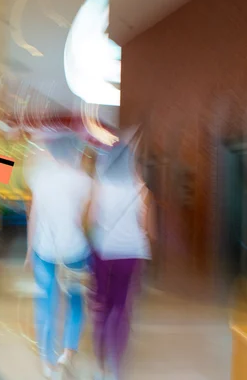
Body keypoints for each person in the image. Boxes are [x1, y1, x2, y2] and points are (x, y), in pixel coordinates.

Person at [23, 133, 93, 379]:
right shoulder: (85, 181)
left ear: (54, 154)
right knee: (75, 301)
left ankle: (47, 362)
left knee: (46, 301)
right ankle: (67, 354)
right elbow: (84, 220)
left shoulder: (41, 180)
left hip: (45, 250)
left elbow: (34, 216)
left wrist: (30, 249)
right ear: (75, 153)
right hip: (75, 249)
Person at [88, 128, 155, 380]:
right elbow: (145, 228)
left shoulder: (100, 186)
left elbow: (92, 219)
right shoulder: (142, 190)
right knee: (122, 308)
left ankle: (100, 365)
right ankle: (116, 366)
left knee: (102, 307)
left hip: (105, 252)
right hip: (132, 253)